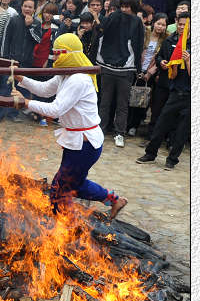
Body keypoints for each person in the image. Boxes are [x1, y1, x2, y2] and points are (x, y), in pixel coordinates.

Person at [11, 34, 128, 219]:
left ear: (68, 54)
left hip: (85, 144)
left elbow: (55, 110)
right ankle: (113, 199)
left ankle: (64, 227)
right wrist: (21, 78)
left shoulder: (78, 79)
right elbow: (44, 89)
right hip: (77, 141)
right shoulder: (65, 74)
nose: (55, 59)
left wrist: (26, 103)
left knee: (61, 188)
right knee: (75, 184)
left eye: (58, 54)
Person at [136, 14, 190, 169]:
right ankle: (150, 153)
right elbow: (159, 57)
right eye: (179, 24)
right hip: (172, 89)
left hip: (189, 94)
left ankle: (172, 160)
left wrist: (187, 61)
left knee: (181, 130)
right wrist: (162, 63)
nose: (181, 27)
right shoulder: (170, 40)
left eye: (185, 25)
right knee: (161, 123)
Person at [95, 0, 144, 148]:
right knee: (105, 102)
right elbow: (101, 32)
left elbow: (138, 45)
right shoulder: (114, 16)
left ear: (134, 7)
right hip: (107, 66)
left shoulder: (137, 22)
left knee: (122, 104)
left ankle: (119, 133)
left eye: (128, 7)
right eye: (123, 6)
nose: (125, 9)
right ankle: (100, 131)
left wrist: (137, 68)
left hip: (126, 68)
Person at [126, 13, 169, 137]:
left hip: (150, 73)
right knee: (130, 98)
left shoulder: (166, 38)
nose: (160, 27)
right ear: (153, 22)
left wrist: (150, 73)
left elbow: (162, 58)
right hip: (136, 69)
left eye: (163, 25)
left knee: (142, 101)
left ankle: (134, 126)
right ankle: (127, 124)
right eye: (158, 23)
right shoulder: (145, 33)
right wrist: (137, 69)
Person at [1, 0, 40, 121]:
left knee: (19, 89)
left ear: (34, 9)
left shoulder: (36, 23)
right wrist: (4, 59)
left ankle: (13, 114)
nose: (27, 9)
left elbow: (37, 40)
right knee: (6, 87)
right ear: (21, 7)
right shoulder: (13, 20)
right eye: (25, 6)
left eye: (30, 7)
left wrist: (30, 26)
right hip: (11, 60)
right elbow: (5, 40)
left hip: (27, 62)